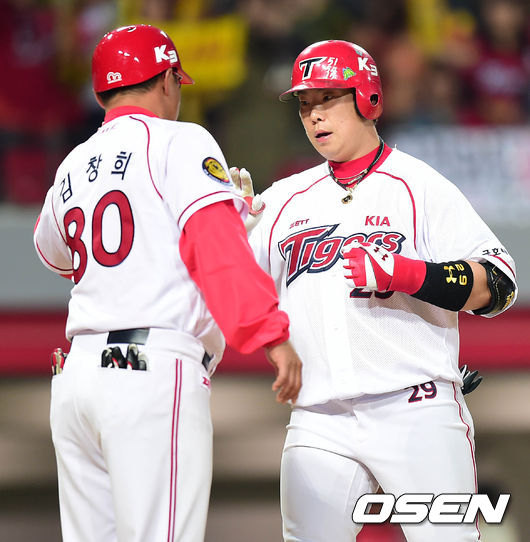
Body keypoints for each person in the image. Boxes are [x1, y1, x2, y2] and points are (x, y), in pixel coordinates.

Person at [232, 40, 517, 542]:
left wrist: (408, 274)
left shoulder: (418, 185)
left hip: (415, 406)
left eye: (328, 98)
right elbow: (227, 299)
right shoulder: (281, 200)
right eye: (305, 103)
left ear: (367, 98)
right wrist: (221, 234)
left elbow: (499, 283)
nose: (314, 115)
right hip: (319, 417)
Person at [33, 24, 302, 542]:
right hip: (147, 372)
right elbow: (214, 250)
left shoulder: (70, 164)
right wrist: (270, 332)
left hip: (76, 380)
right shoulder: (180, 140)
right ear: (165, 80)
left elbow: (55, 254)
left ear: (102, 94)